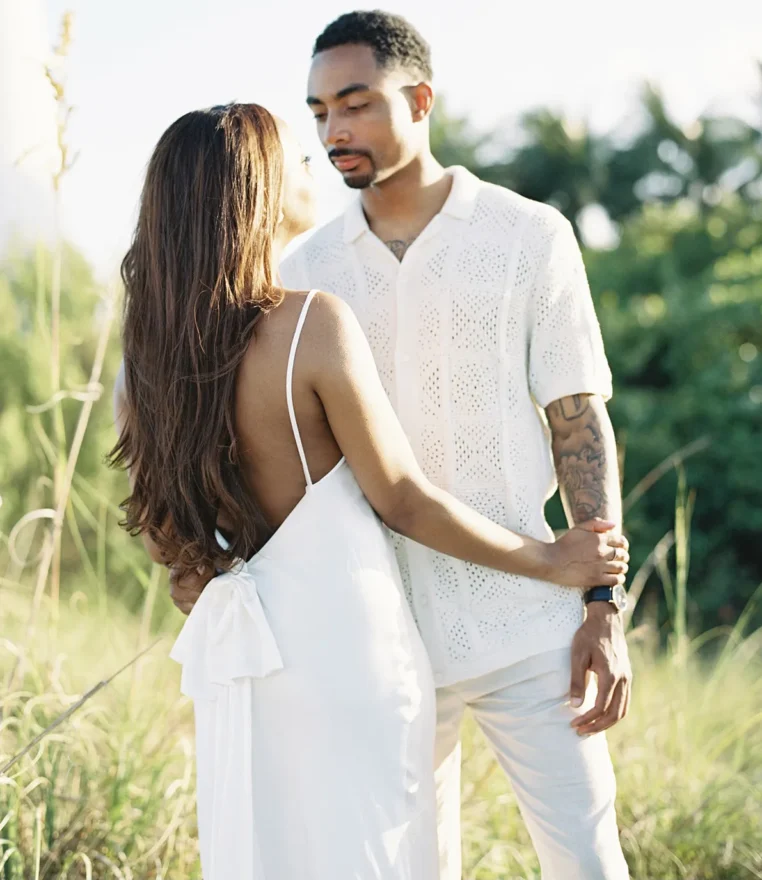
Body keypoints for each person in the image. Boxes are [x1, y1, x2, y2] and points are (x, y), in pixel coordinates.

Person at [110, 102, 628, 880]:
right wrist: (552, 560)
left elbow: (163, 537)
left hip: (246, 660)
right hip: (347, 650)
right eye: (296, 158)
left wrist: (203, 574)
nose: (313, 166)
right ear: (254, 191)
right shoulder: (311, 324)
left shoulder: (143, 363)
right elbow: (403, 499)